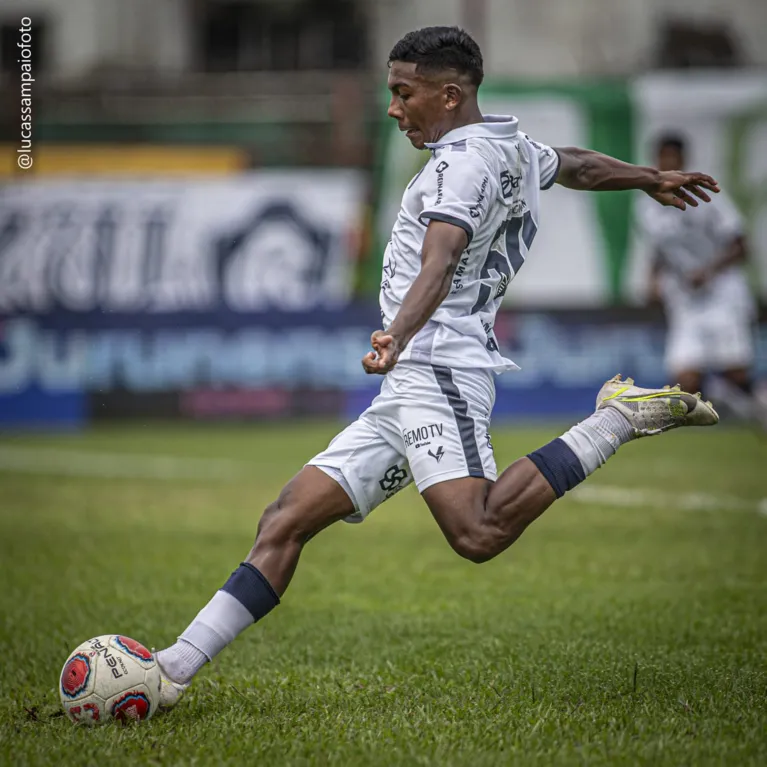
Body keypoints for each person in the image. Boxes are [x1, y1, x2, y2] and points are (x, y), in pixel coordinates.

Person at [154, 27, 721, 707]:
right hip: (412, 377)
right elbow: (573, 164)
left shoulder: (460, 166)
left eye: (403, 93)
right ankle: (171, 670)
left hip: (438, 364)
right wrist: (648, 177)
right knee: (284, 519)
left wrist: (394, 333)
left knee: (476, 530)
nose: (394, 107)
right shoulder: (505, 145)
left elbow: (441, 259)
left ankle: (613, 420)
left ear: (448, 95)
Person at [639, 134, 762, 424]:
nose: (667, 163)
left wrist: (708, 271)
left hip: (722, 291)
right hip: (685, 297)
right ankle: (724, 405)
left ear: (683, 160)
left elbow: (741, 245)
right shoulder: (646, 205)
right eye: (662, 157)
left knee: (736, 372)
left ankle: (747, 404)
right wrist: (652, 279)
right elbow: (659, 249)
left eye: (672, 157)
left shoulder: (707, 196)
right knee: (685, 381)